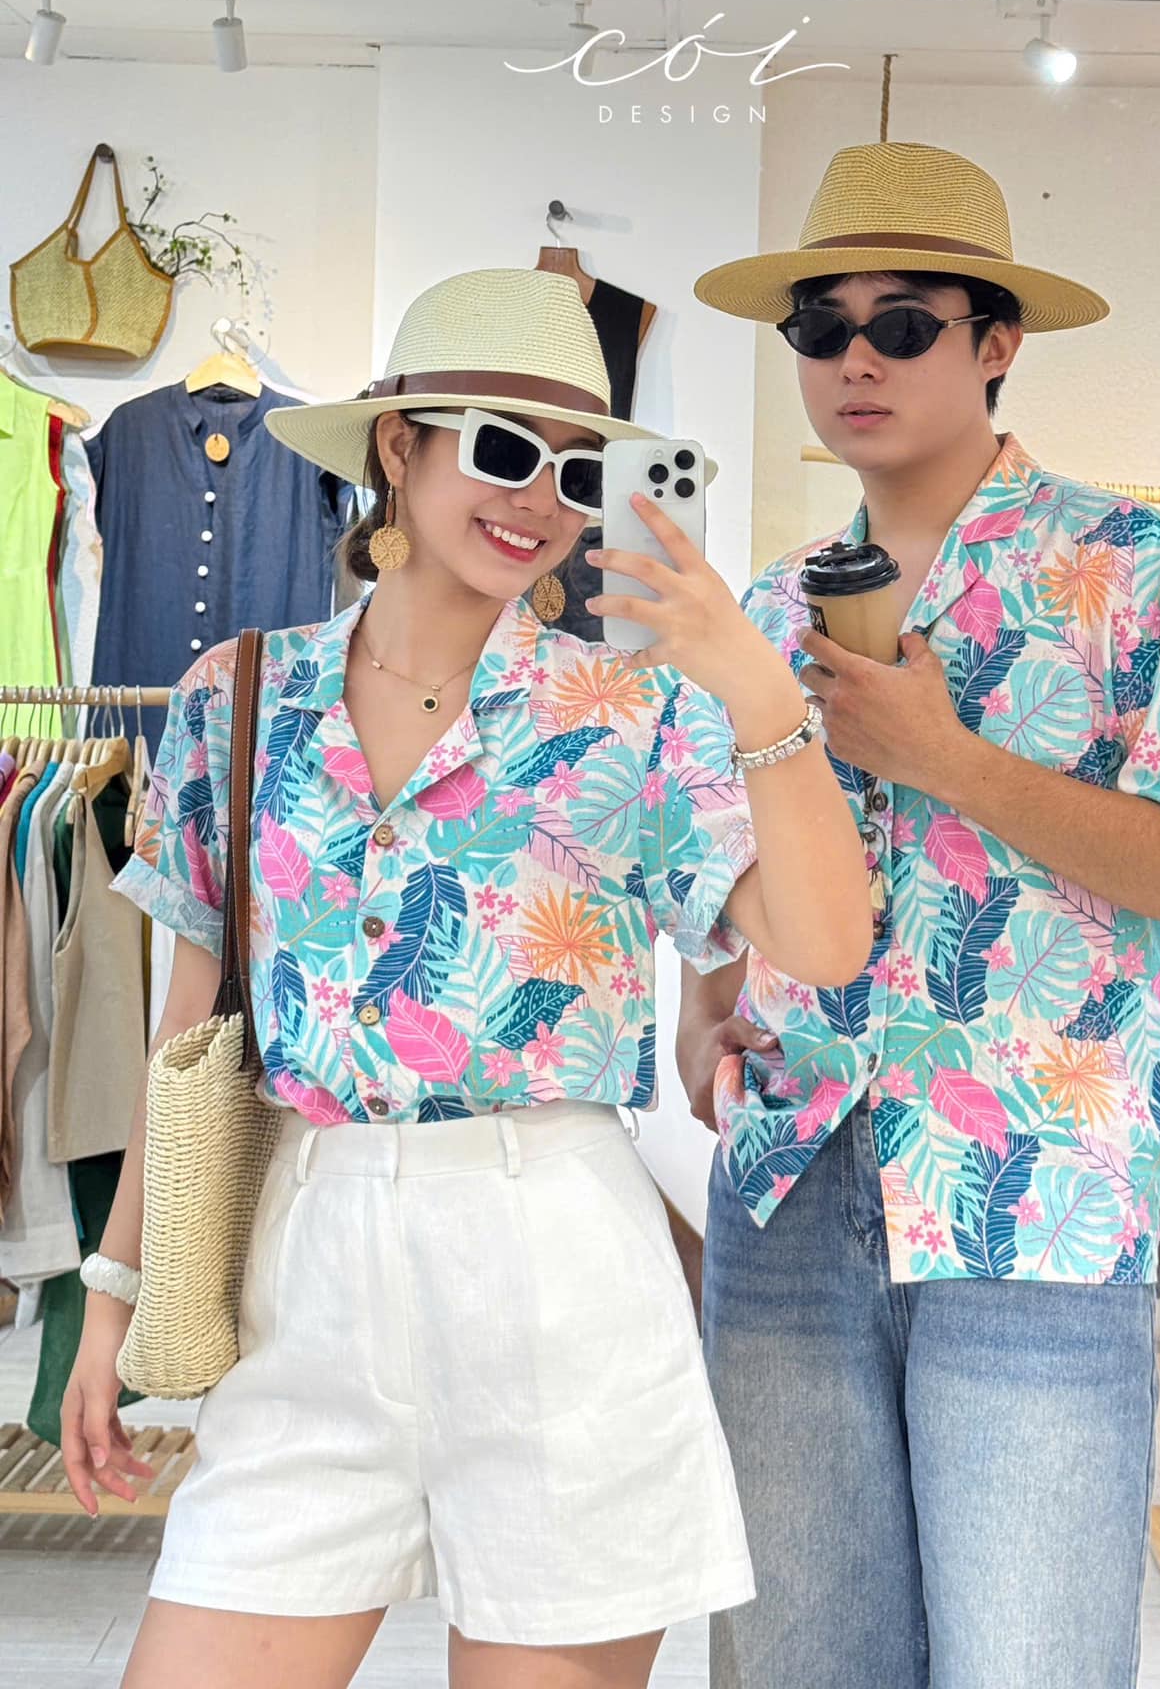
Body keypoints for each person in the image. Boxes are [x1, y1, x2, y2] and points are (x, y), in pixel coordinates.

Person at [60, 268, 872, 1689]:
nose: (539, 499)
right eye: (501, 450)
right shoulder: (238, 695)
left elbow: (823, 945)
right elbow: (188, 1034)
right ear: (398, 446)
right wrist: (111, 1299)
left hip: (557, 1267)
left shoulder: (630, 714)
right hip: (306, 1271)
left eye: (573, 468)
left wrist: (758, 691)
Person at [683, 143, 1160, 1689]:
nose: (855, 360)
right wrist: (705, 997)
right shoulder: (767, 608)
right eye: (820, 326)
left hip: (1029, 1197)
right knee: (793, 1662)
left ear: (995, 341)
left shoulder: (1133, 572)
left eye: (902, 324)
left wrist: (950, 762)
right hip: (786, 1188)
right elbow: (712, 857)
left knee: (1027, 1661)